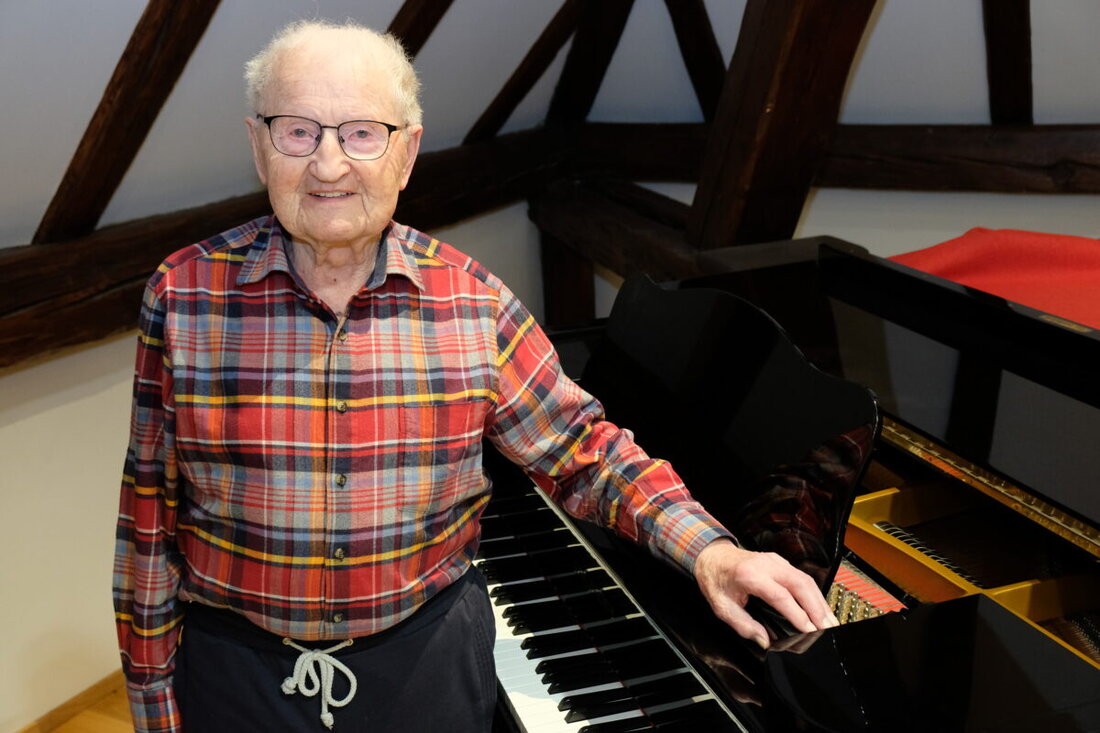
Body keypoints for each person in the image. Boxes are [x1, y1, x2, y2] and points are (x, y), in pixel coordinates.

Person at [113, 19, 838, 733]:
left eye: (362, 134)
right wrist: (154, 706)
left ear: (406, 154)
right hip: (239, 675)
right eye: (298, 131)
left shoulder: (475, 303)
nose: (328, 165)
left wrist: (712, 551)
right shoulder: (182, 297)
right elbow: (148, 519)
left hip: (424, 668)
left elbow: (586, 453)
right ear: (258, 145)